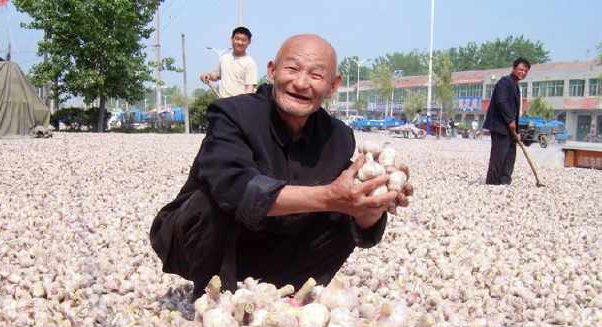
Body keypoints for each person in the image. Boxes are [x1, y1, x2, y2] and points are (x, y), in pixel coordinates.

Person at [151, 34, 413, 298]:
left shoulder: (339, 138)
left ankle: (291, 300)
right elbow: (235, 189)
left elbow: (354, 221)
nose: (300, 83)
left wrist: (370, 204)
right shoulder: (233, 115)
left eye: (316, 75)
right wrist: (330, 197)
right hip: (197, 241)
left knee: (343, 209)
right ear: (272, 71)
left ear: (333, 86)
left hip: (272, 248)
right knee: (213, 201)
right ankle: (214, 300)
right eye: (292, 69)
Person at [483, 57, 531, 185]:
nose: (523, 72)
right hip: (500, 127)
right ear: (514, 68)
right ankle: (492, 183)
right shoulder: (504, 82)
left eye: (526, 71)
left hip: (510, 129)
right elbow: (501, 102)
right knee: (498, 157)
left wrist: (517, 130)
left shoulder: (515, 86)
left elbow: (515, 111)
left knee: (510, 156)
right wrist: (510, 120)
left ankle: (505, 181)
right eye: (521, 69)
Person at [200, 26, 258, 98]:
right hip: (223, 103)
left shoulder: (250, 63)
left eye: (243, 40)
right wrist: (207, 75)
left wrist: (244, 105)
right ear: (231, 39)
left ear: (249, 42)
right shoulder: (224, 58)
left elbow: (249, 89)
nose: (240, 42)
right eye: (237, 39)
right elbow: (217, 75)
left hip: (239, 105)